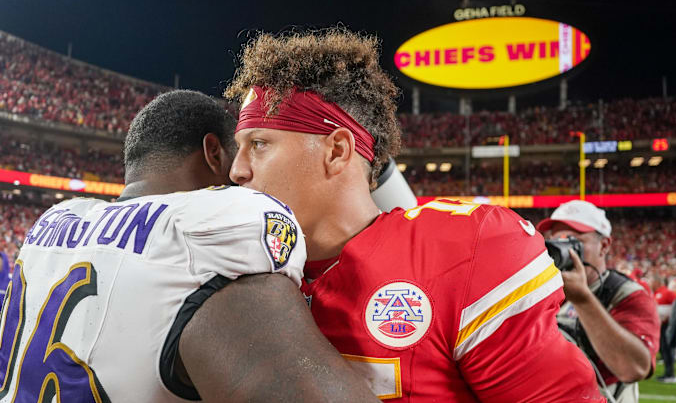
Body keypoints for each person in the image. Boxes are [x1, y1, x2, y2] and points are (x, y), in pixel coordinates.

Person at [225, 28, 604, 402]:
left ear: (337, 150)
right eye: (239, 147)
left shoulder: (466, 252)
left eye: (259, 144)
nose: (237, 171)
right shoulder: (237, 265)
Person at [0, 90, 378, 402]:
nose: (241, 174)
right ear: (215, 153)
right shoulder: (205, 231)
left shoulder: (52, 225)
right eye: (239, 151)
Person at [537, 200, 661, 403]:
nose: (563, 250)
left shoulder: (628, 293)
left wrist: (582, 299)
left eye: (572, 241)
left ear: (604, 246)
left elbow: (634, 368)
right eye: (555, 241)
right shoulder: (545, 291)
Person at [649, 274, 676, 383]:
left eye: (651, 281)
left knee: (667, 349)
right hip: (660, 325)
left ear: (657, 282)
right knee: (663, 349)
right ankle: (667, 373)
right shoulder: (656, 293)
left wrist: (670, 317)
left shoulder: (667, 292)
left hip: (667, 325)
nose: (650, 283)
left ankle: (671, 374)